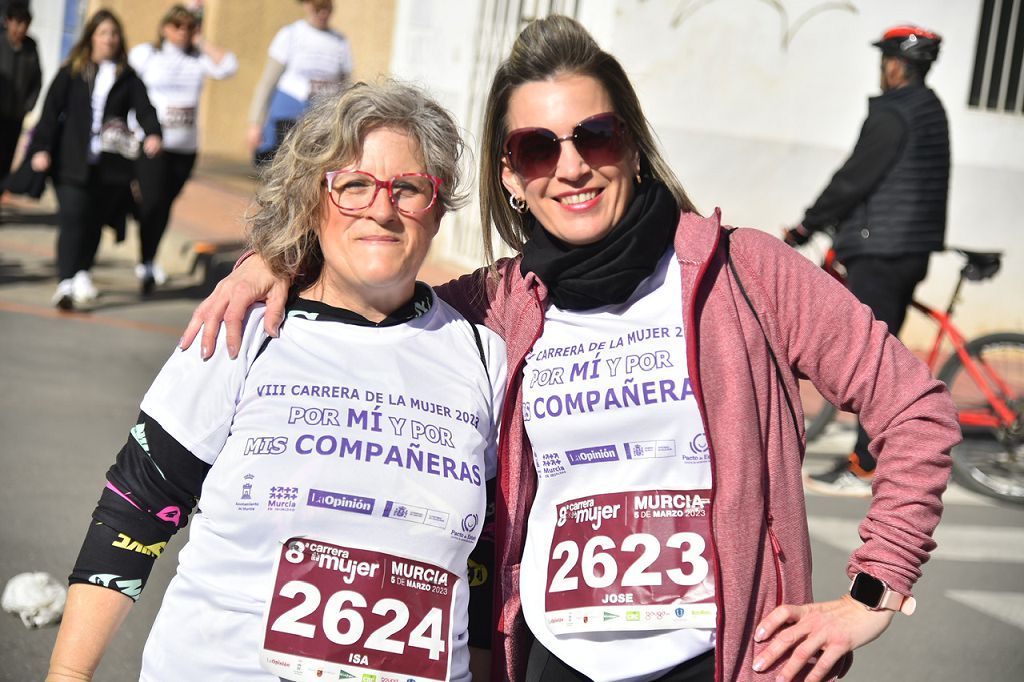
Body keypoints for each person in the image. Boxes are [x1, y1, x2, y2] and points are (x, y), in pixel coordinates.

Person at [184, 16, 959, 682]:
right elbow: (367, 284)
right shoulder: (494, 305)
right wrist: (279, 260)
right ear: (510, 176)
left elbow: (915, 409)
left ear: (630, 143)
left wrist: (873, 593)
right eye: (536, 148)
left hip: (722, 658)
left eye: (596, 135)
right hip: (556, 661)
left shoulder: (743, 271)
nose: (572, 166)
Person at [46, 81, 506, 681]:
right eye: (354, 185)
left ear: (437, 208)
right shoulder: (243, 329)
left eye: (409, 188)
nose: (382, 209)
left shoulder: (481, 356)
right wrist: (69, 674)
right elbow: (137, 507)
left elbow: (486, 558)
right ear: (313, 199)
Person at [784, 25, 949, 497]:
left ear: (896, 65)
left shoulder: (894, 113)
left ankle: (866, 465)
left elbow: (854, 178)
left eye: (884, 62)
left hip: (880, 251)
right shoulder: (929, 110)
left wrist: (806, 226)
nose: (882, 70)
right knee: (877, 351)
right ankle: (867, 456)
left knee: (864, 361)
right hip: (908, 249)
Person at [28, 9, 161, 310]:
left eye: (114, 34)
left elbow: (145, 109)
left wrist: (153, 133)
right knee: (73, 217)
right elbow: (50, 113)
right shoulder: (73, 70)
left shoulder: (127, 76)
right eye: (103, 33)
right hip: (70, 161)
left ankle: (83, 271)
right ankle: (65, 282)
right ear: (91, 37)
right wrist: (41, 148)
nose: (109, 39)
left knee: (94, 222)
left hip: (110, 166)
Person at [128, 4, 238, 294]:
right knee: (151, 202)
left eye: (189, 27)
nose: (183, 32)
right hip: (153, 144)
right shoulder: (147, 55)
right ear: (164, 27)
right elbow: (127, 89)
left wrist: (201, 41)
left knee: (163, 205)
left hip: (185, 148)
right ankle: (146, 260)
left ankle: (149, 259)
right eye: (177, 26)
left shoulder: (198, 59)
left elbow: (229, 66)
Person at [247, 0, 352, 165]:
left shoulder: (339, 41)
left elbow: (346, 87)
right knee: (283, 167)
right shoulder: (291, 33)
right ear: (306, 6)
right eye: (318, 8)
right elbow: (267, 83)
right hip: (288, 114)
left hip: (322, 119)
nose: (323, 14)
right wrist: (255, 123)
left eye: (327, 9)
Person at [0, 1, 41, 188]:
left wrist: (28, 106)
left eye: (25, 24)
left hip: (15, 116)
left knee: (6, 159)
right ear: (7, 21)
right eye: (17, 23)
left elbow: (37, 80)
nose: (21, 28)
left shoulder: (31, 48)